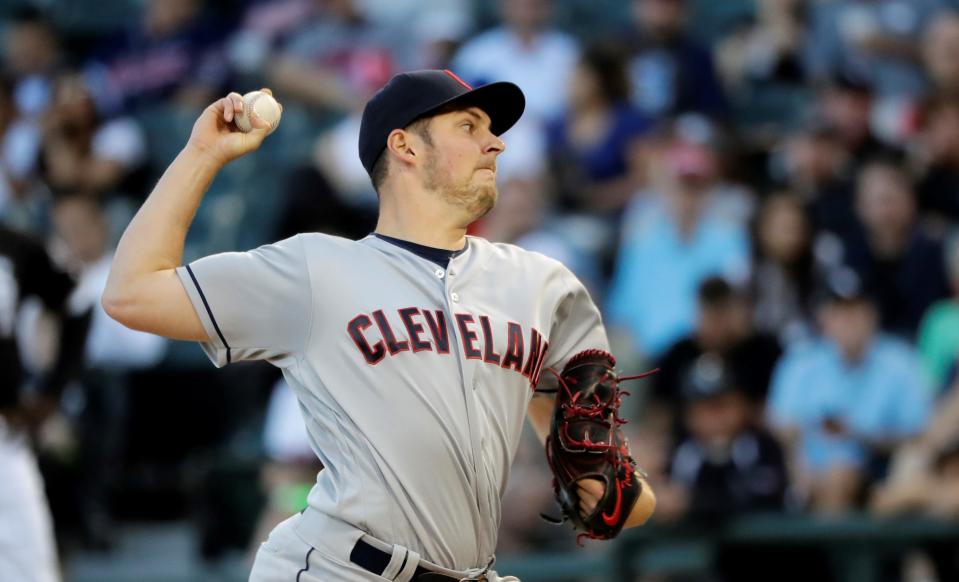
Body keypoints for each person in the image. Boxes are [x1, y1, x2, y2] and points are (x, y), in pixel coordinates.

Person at [102, 71, 656, 581]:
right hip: (341, 570)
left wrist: (604, 484)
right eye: (469, 126)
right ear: (405, 145)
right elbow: (131, 294)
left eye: (493, 131)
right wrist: (203, 153)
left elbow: (603, 488)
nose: (497, 143)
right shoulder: (314, 270)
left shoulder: (543, 287)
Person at [766, 270, 932, 513]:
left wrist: (859, 435)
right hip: (806, 476)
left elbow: (920, 435)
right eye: (840, 312)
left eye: (856, 311)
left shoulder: (900, 362)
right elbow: (779, 428)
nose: (849, 321)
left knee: (843, 475)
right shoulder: (800, 361)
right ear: (824, 317)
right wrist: (799, 462)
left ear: (873, 314)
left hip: (879, 473)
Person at [0, 225, 91, 582]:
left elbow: (77, 306)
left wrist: (53, 392)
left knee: (30, 564)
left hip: (4, 438)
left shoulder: (13, 245)